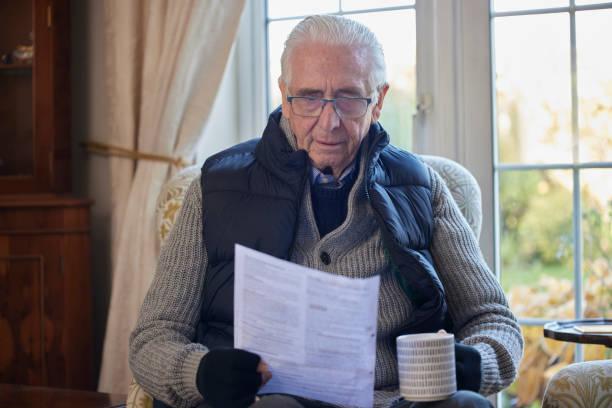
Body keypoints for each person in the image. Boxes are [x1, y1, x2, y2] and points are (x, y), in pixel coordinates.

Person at [129, 14, 523, 408]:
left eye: (349, 98)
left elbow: (494, 319)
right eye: (309, 97)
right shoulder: (216, 187)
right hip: (267, 401)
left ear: (379, 100)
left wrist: (473, 363)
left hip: (392, 401)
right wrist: (200, 372)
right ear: (284, 96)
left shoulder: (421, 185)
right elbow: (153, 338)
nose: (329, 121)